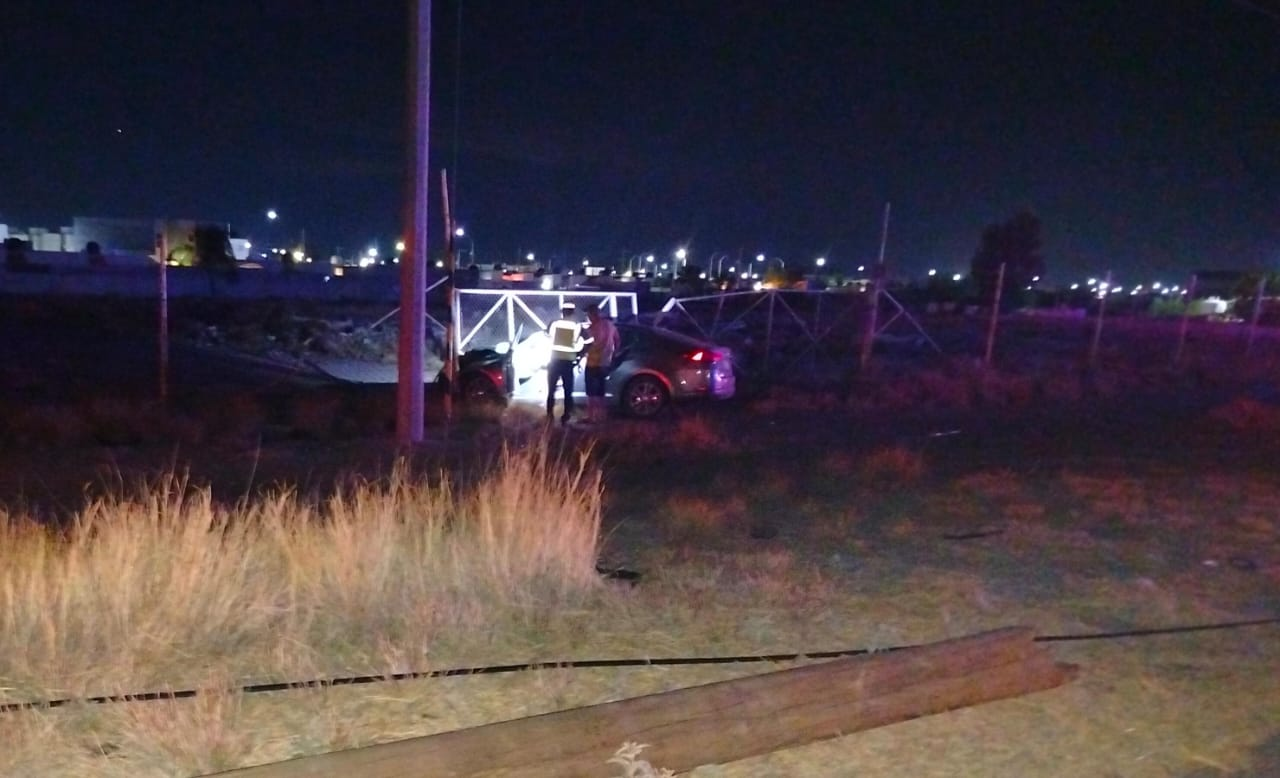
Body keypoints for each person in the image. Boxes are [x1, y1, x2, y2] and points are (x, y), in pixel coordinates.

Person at [546, 302, 584, 425]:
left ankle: (549, 415)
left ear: (562, 311)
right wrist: (579, 355)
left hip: (555, 360)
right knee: (568, 390)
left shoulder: (554, 324)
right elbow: (587, 341)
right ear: (573, 312)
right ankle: (566, 416)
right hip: (568, 362)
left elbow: (548, 335)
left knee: (551, 389)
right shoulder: (577, 326)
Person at [583, 303, 620, 423]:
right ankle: (601, 416)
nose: (588, 317)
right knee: (601, 390)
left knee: (591, 391)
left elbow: (593, 343)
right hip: (605, 362)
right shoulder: (610, 325)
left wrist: (584, 351)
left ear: (593, 314)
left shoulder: (593, 328)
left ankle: (591, 416)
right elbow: (617, 340)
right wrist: (613, 354)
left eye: (589, 314)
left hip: (593, 362)